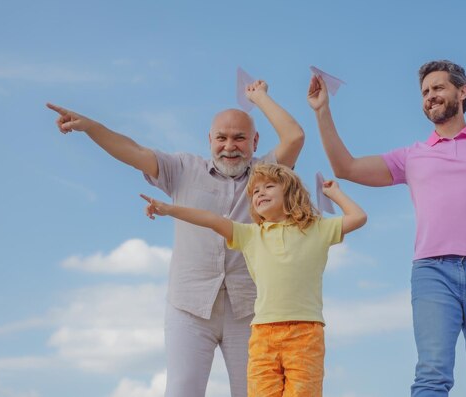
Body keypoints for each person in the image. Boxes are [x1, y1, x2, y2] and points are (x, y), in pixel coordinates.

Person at [47, 79, 305, 397]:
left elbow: (295, 136)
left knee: (257, 393)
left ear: (255, 140)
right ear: (209, 139)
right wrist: (91, 127)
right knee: (182, 391)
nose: (230, 146)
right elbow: (133, 151)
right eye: (221, 138)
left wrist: (260, 98)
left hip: (250, 309)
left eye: (240, 138)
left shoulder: (269, 175)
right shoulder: (182, 169)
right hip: (189, 307)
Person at [307, 60, 466, 397]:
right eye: (425, 92)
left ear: (462, 92)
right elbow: (346, 168)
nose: (430, 96)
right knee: (431, 375)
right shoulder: (411, 157)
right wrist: (322, 112)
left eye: (438, 88)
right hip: (433, 273)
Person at [140, 163, 366, 396]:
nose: (260, 193)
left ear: (291, 193)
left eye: (269, 186)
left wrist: (334, 193)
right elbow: (209, 219)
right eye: (256, 191)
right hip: (262, 335)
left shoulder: (317, 229)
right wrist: (168, 209)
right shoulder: (250, 235)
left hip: (305, 334)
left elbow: (358, 217)